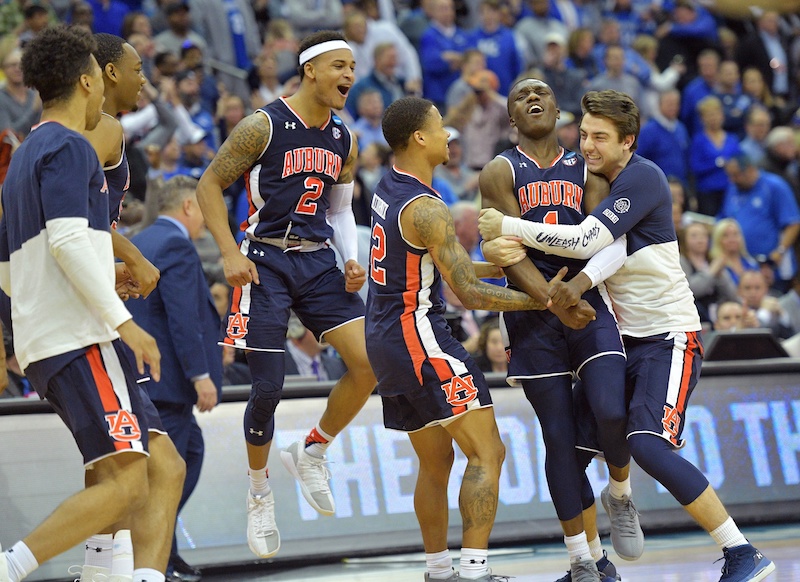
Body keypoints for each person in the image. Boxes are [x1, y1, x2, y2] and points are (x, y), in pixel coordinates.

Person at [479, 89, 777, 582]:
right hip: (625, 333)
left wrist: (508, 227)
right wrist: (568, 286)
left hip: (667, 335)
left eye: (600, 137)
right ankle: (593, 565)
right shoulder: (597, 179)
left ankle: (740, 550)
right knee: (568, 453)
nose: (588, 145)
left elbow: (587, 241)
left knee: (646, 443)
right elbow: (607, 255)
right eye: (585, 135)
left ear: (628, 141)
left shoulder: (641, 177)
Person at [0, 25, 184, 582]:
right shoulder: (71, 145)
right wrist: (123, 321)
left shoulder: (25, 154)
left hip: (46, 336)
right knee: (130, 482)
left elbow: (12, 266)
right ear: (87, 80)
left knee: (148, 468)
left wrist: (102, 276)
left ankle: (107, 573)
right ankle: (11, 566)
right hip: (78, 335)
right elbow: (67, 240)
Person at [195, 30, 377, 559]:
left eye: (352, 66)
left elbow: (339, 209)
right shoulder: (263, 125)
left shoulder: (344, 137)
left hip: (317, 258)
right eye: (339, 65)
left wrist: (351, 258)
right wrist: (228, 253)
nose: (349, 75)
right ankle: (259, 493)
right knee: (268, 387)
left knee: (370, 363)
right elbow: (208, 185)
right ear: (310, 69)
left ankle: (312, 449)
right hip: (264, 258)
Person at [366, 95, 546, 582]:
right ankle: (473, 571)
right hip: (419, 337)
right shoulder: (428, 208)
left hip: (385, 340)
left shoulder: (389, 186)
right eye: (441, 126)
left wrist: (506, 268)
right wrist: (542, 299)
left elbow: (448, 267)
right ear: (419, 137)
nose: (448, 134)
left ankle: (439, 571)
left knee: (436, 461)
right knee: (488, 452)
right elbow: (466, 292)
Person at [479, 78, 636, 582]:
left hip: (586, 299)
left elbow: (598, 238)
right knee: (559, 439)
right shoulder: (500, 170)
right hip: (532, 315)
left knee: (613, 411)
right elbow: (510, 254)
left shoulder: (585, 166)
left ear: (558, 109)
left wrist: (570, 295)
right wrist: (552, 300)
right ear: (511, 118)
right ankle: (582, 559)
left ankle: (620, 493)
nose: (532, 98)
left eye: (541, 92)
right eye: (521, 95)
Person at [77, 32, 187, 582]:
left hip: (82, 299)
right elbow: (75, 218)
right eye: (138, 68)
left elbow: (87, 225)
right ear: (109, 73)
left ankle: (100, 571)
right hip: (80, 313)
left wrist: (110, 264)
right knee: (158, 464)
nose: (144, 78)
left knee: (116, 461)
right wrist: (132, 256)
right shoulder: (99, 128)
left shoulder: (101, 129)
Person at [127, 175, 223, 582]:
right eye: (203, 209)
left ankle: (166, 549)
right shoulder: (176, 245)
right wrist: (200, 375)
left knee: (189, 455)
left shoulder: (140, 240)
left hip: (142, 378)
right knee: (167, 473)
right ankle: (155, 560)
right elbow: (184, 318)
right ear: (188, 206)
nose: (207, 219)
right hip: (166, 382)